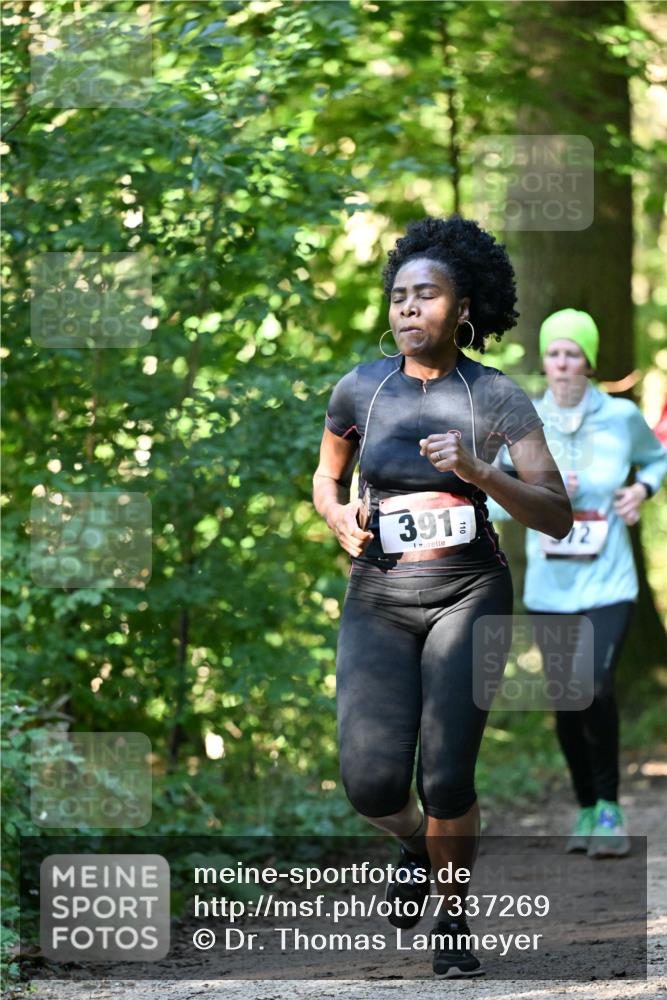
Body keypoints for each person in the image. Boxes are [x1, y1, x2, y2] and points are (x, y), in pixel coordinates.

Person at [312, 215, 572, 978]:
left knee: (448, 775)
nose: (407, 309)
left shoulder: (495, 396)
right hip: (379, 595)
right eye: (398, 296)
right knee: (370, 781)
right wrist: (335, 515)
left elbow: (554, 511)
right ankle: (411, 843)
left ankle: (454, 912)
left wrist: (480, 471)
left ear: (461, 308)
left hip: (469, 592)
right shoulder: (360, 388)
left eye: (425, 295)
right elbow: (326, 477)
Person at [489, 308, 667, 858]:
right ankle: (587, 806)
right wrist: (529, 496)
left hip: (609, 582)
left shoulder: (619, 417)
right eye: (554, 353)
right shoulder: (525, 422)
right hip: (550, 588)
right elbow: (494, 492)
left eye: (573, 353)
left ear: (588, 362)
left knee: (594, 685)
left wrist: (642, 491)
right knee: (566, 700)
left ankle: (611, 807)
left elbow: (657, 459)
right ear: (544, 360)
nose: (563, 363)